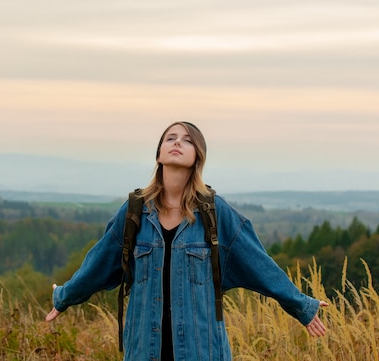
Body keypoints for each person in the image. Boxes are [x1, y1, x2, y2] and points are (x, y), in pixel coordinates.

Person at [45, 121, 328, 360]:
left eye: (187, 140)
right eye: (170, 138)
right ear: (159, 154)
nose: (177, 143)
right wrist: (65, 296)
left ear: (198, 156)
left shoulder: (216, 213)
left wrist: (300, 305)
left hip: (201, 350)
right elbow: (99, 262)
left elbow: (260, 265)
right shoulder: (134, 212)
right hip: (144, 349)